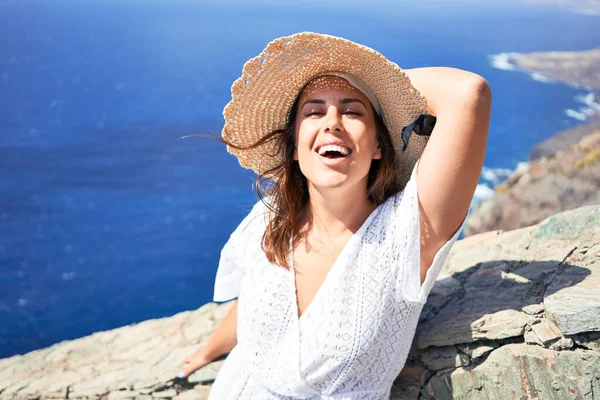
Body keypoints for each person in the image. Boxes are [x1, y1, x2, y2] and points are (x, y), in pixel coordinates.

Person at [181, 32, 491, 398]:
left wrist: (376, 84)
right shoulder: (270, 220)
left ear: (378, 145)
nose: (332, 122)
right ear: (294, 148)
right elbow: (254, 296)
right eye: (314, 111)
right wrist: (207, 350)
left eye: (352, 111)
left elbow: (468, 93)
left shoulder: (406, 234)